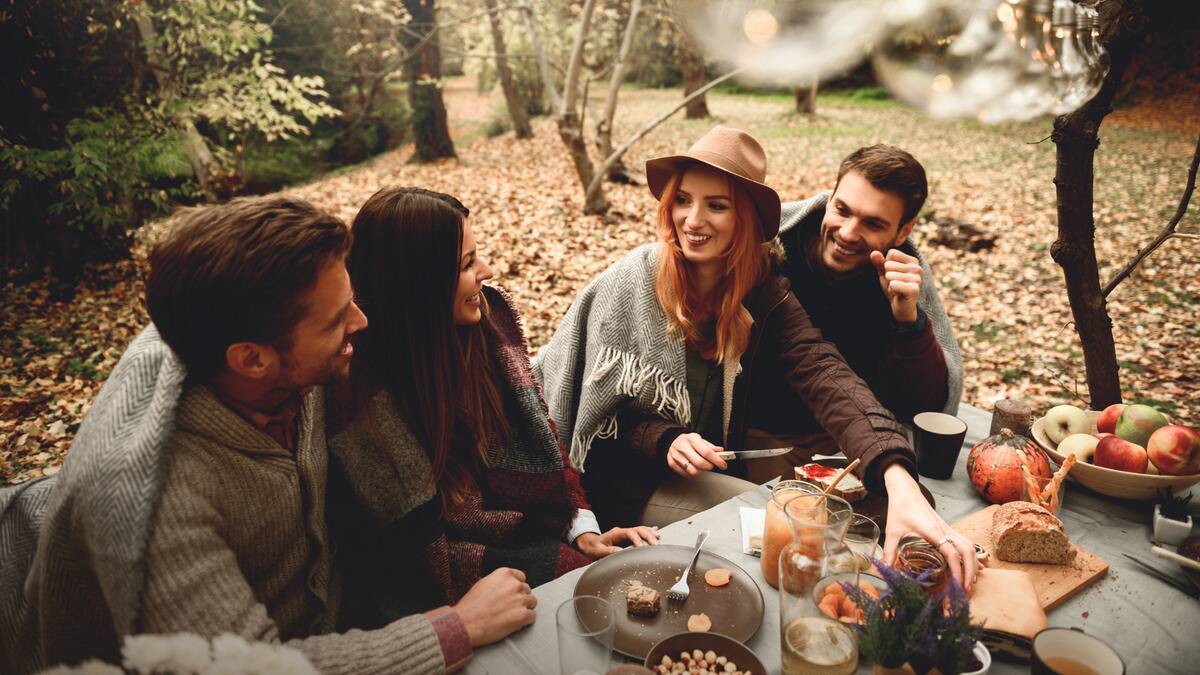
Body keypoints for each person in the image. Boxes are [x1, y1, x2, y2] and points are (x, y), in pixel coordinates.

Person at [5, 196, 536, 674]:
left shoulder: (282, 355)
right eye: (336, 319)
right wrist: (455, 629)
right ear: (252, 359)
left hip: (344, 624)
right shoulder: (159, 500)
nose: (361, 321)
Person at [535, 126, 978, 588]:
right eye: (683, 200)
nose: (693, 219)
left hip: (706, 466)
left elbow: (828, 375)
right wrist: (664, 438)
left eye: (717, 205)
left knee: (859, 515)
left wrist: (897, 475)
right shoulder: (634, 280)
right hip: (619, 478)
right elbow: (589, 414)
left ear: (745, 218)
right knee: (771, 524)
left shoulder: (760, 289)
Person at [325, 187, 657, 628]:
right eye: (466, 264)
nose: (486, 271)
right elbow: (419, 559)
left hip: (526, 537)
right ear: (418, 285)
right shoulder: (361, 400)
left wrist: (582, 530)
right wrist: (557, 562)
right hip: (428, 600)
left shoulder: (486, 330)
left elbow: (544, 443)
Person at [744, 145, 963, 474]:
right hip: (758, 439)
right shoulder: (769, 245)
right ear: (828, 197)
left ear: (904, 230)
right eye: (842, 210)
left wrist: (908, 321)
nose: (847, 233)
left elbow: (926, 409)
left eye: (873, 224)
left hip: (855, 446)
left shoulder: (901, 278)